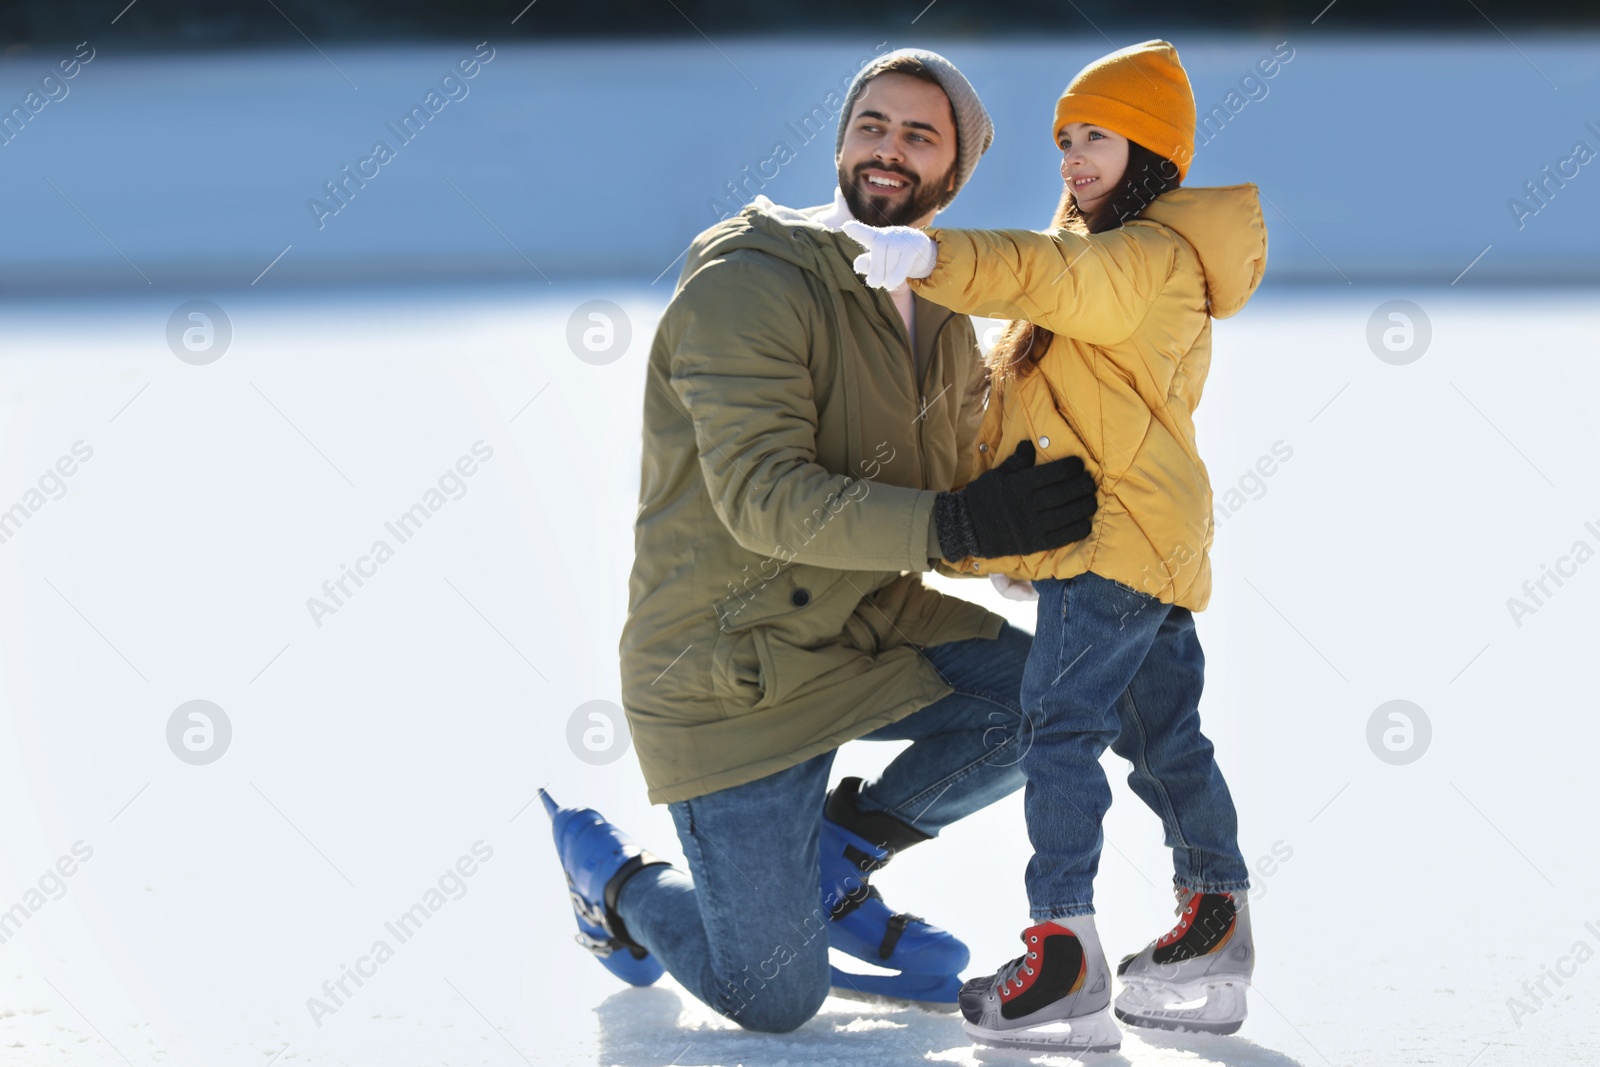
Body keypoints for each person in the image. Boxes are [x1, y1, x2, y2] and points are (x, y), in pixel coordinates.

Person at [538, 49, 1100, 1033]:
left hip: (859, 623)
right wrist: (958, 524)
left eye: (919, 134)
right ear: (841, 141)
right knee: (776, 995)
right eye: (871, 125)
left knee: (1048, 701)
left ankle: (833, 858)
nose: (888, 150)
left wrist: (1023, 534)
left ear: (953, 168)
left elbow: (942, 486)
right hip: (725, 669)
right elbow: (763, 494)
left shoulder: (941, 311)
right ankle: (617, 884)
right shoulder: (750, 283)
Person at [849, 39, 1267, 1052]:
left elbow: (1046, 276)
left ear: (1153, 151)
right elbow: (1026, 396)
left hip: (1114, 541)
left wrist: (936, 257)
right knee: (1165, 738)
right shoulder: (1109, 251)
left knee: (1059, 729)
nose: (1074, 156)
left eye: (1098, 137)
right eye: (1066, 139)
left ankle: (1062, 951)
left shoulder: (1145, 259)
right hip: (1138, 538)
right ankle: (1213, 930)